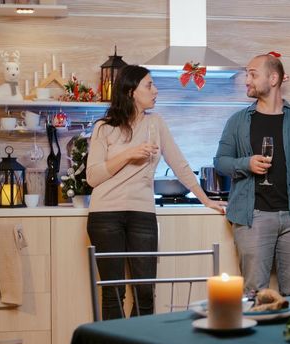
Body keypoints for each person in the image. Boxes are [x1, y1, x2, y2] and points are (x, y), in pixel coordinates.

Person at [86, 64, 225, 320]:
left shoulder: (156, 123)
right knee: (112, 293)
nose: (155, 90)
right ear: (130, 92)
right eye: (149, 85)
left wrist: (206, 199)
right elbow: (93, 177)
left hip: (142, 214)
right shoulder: (104, 128)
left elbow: (179, 164)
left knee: (145, 292)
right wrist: (129, 153)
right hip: (105, 215)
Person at [214, 54, 290, 295]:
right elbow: (220, 162)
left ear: (273, 78)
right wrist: (247, 164)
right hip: (253, 217)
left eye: (252, 74)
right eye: (247, 74)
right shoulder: (238, 121)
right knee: (254, 293)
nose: (246, 80)